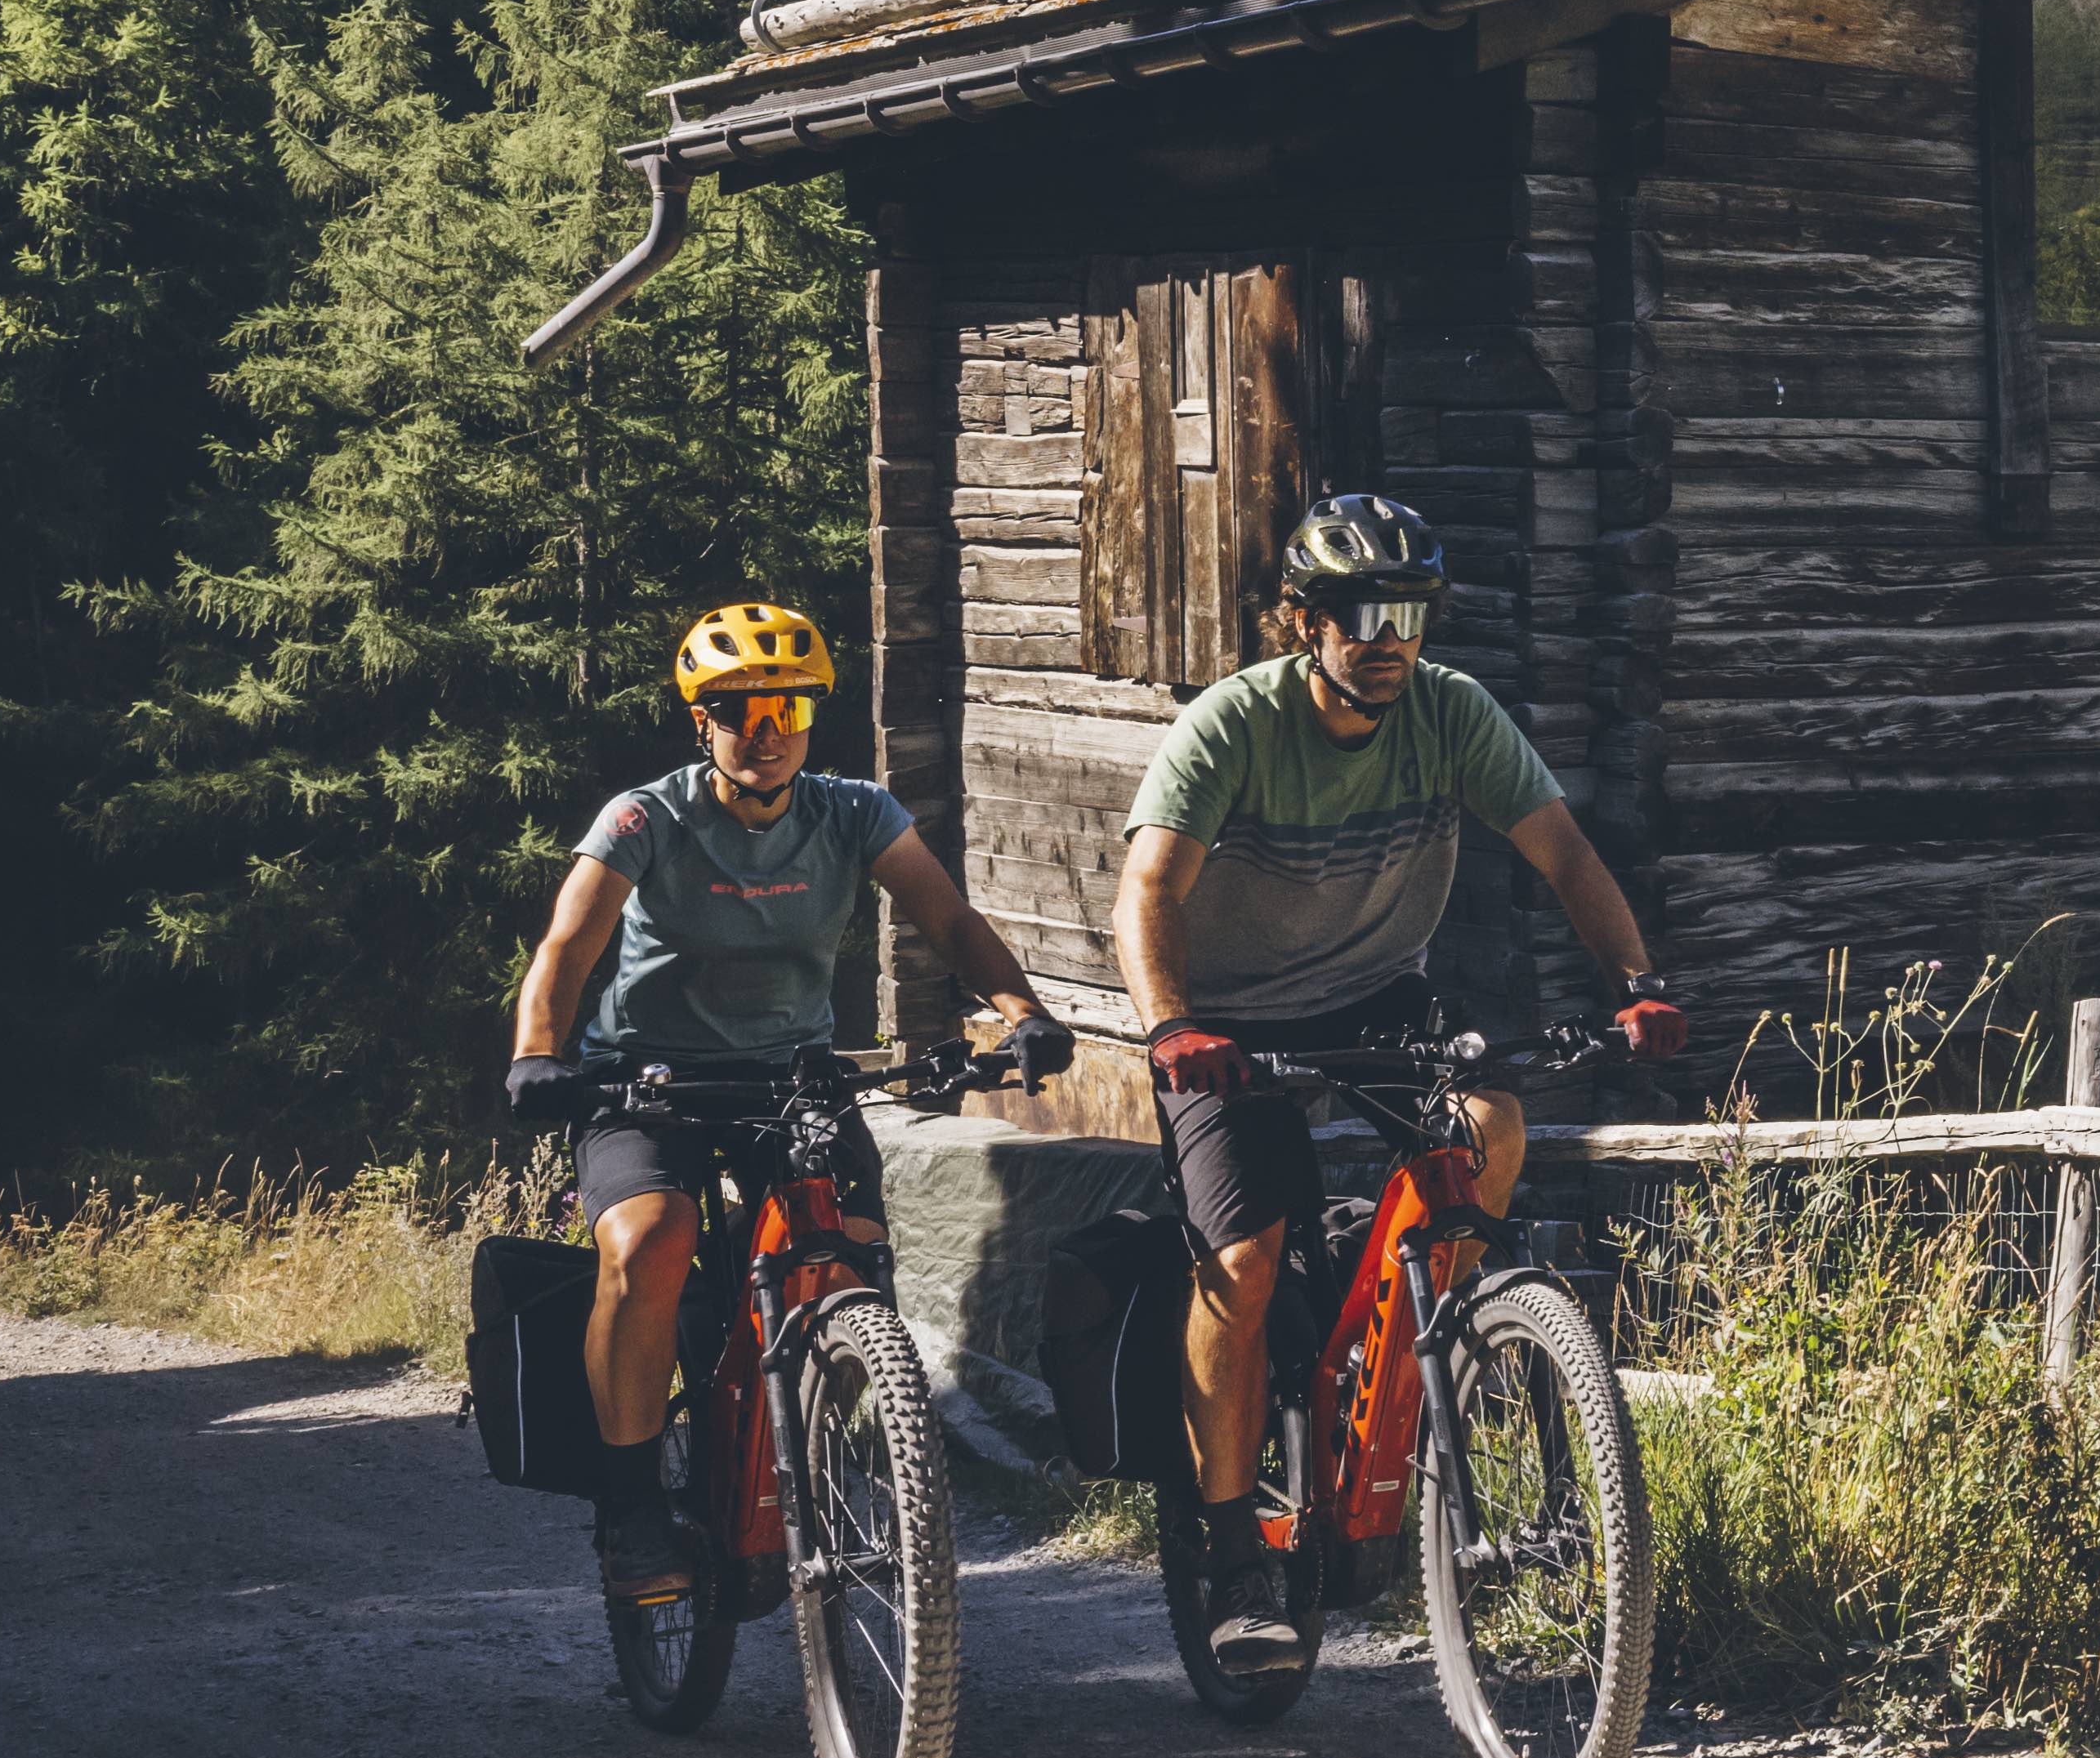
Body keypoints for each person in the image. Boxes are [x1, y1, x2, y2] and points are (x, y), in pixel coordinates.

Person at [1117, 493, 1687, 1661]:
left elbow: (1564, 853)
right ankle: (1234, 1548)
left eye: (1412, 614)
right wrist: (1172, 1027)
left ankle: (1432, 1360)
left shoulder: (1451, 714)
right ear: (1303, 621)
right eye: (1362, 613)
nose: (1389, 638)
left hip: (1378, 994)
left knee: (1491, 1129)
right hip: (1228, 1020)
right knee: (1243, 1258)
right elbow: (1149, 892)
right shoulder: (1231, 726)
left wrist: (1634, 981)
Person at [504, 603, 1047, 1618]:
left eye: (787, 706)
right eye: (739, 710)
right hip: (645, 1081)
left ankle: (811, 1458)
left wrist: (1020, 1012)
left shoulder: (853, 812)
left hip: (790, 1077)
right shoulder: (644, 818)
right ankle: (630, 1506)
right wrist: (539, 1053)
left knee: (845, 1255)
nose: (766, 729)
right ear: (700, 722)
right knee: (651, 1238)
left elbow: (950, 919)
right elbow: (566, 950)